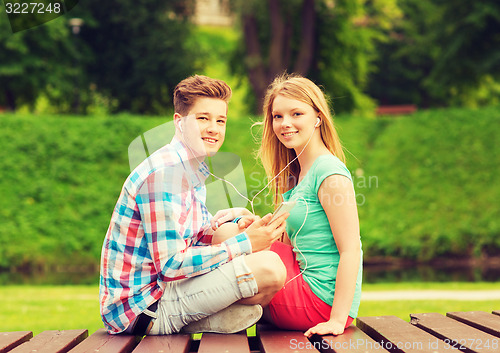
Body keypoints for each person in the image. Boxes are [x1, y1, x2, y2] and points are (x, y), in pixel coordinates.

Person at [99, 75, 288, 335]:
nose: (214, 128)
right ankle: (192, 322)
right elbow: (171, 266)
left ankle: (200, 320)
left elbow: (196, 236)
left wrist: (237, 226)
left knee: (243, 241)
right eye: (203, 118)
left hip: (162, 290)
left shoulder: (190, 168)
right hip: (142, 308)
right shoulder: (164, 175)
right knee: (270, 268)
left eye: (220, 120)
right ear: (179, 122)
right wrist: (246, 244)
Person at [257, 73, 363, 337]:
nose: (285, 123)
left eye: (296, 114)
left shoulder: (329, 172)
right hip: (299, 284)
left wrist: (337, 320)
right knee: (234, 240)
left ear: (318, 117)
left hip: (319, 301)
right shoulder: (299, 173)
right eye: (277, 116)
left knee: (235, 256)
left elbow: (351, 249)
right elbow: (284, 243)